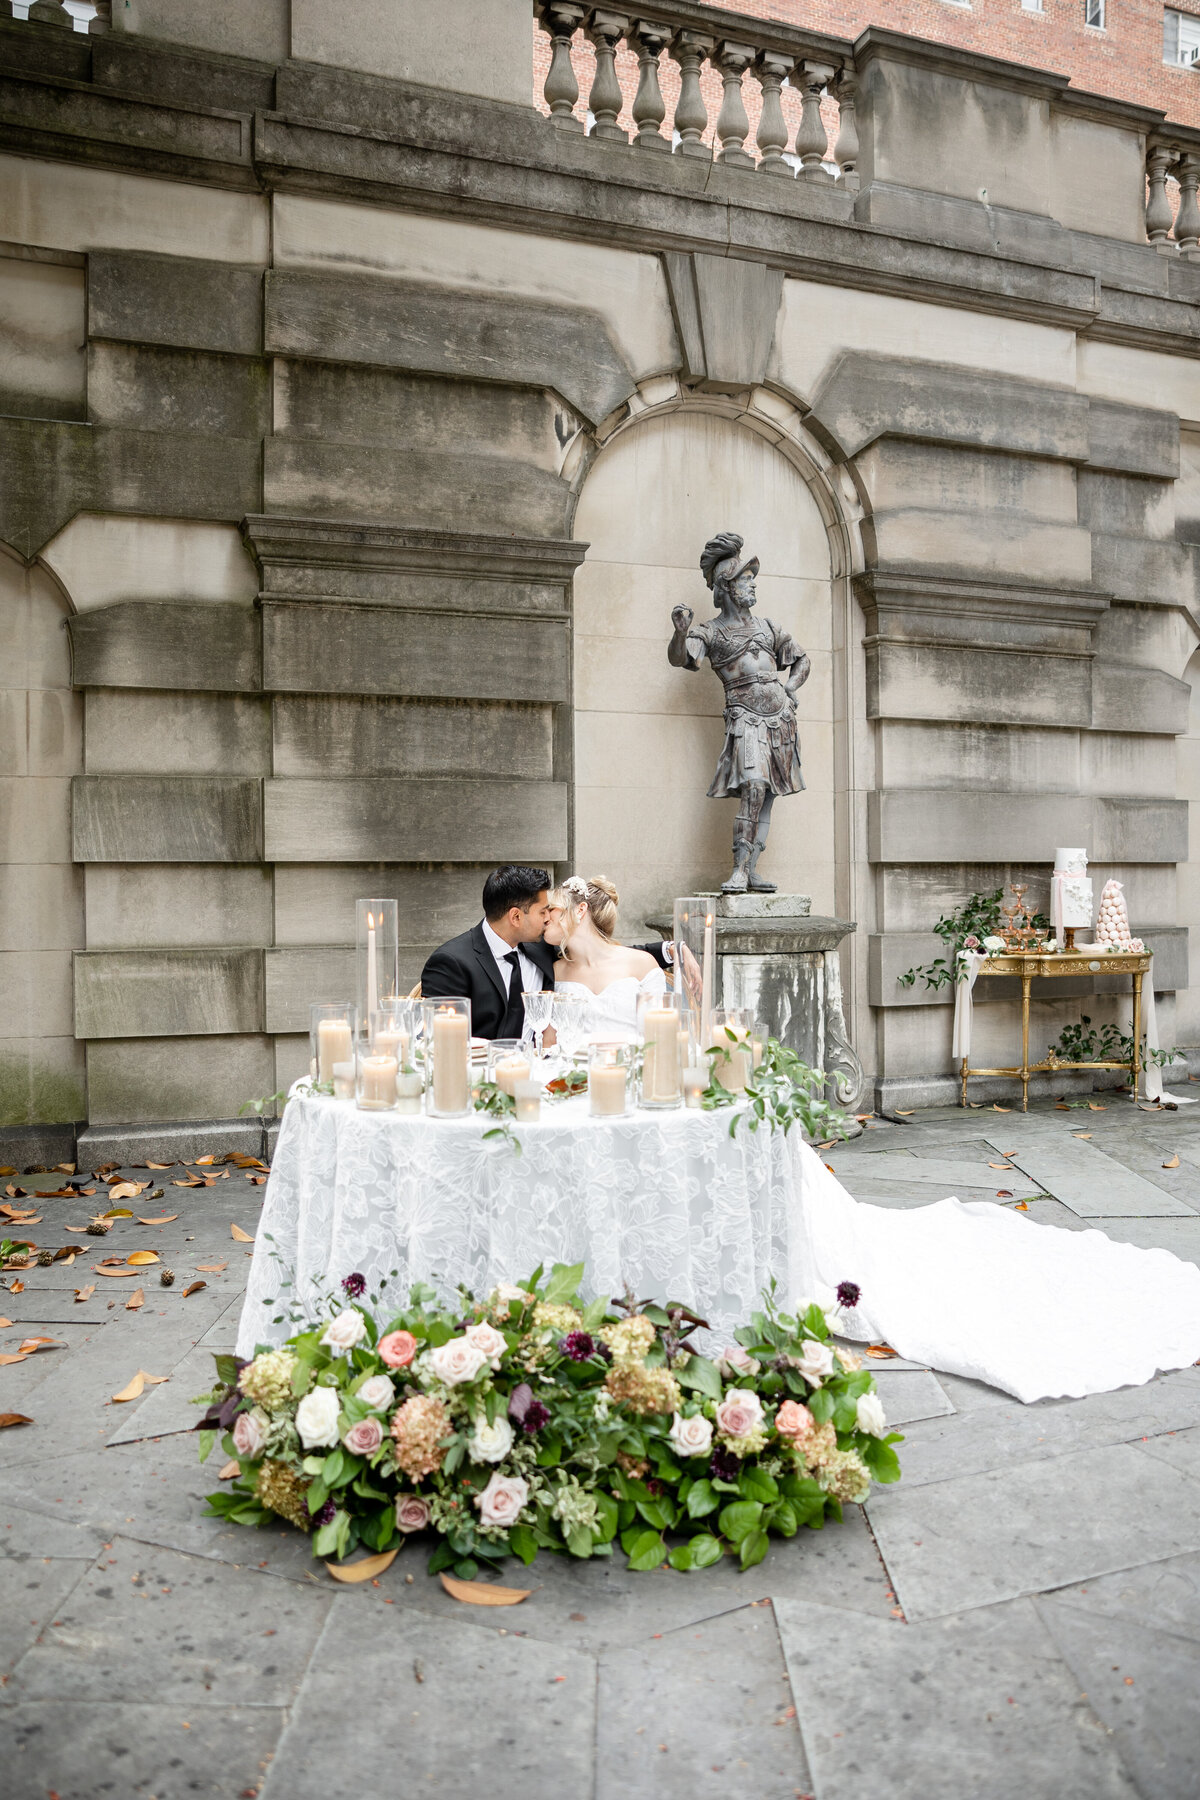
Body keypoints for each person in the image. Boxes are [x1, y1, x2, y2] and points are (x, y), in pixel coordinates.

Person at [668, 532, 810, 895]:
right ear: (727, 586)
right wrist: (680, 633)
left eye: (753, 580)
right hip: (744, 718)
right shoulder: (711, 632)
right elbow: (682, 659)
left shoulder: (768, 627)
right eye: (746, 580)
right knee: (755, 786)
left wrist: (790, 689)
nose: (753, 587)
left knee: (767, 796)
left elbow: (802, 660)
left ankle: (751, 868)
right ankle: (739, 869)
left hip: (779, 719)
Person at [420, 865, 557, 1041]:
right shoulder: (450, 963)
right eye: (543, 912)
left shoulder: (543, 949)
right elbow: (437, 1040)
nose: (548, 918)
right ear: (515, 917)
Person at [544, 875, 666, 1040]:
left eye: (551, 908)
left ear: (580, 910)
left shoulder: (642, 964)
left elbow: (659, 1036)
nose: (544, 916)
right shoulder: (553, 972)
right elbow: (549, 1042)